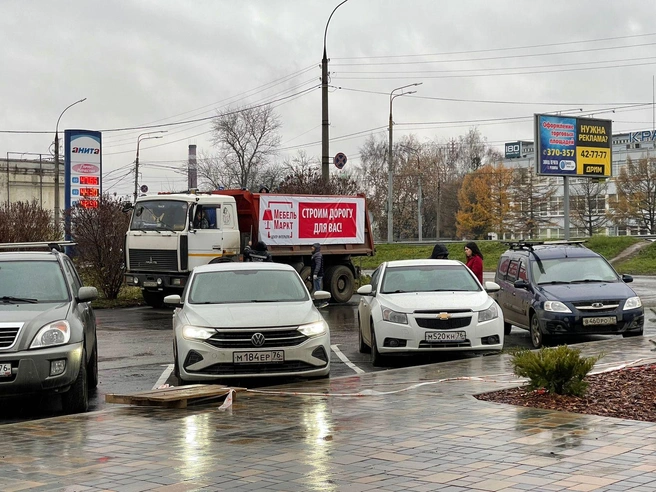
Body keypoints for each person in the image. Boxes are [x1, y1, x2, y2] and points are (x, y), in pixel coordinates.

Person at [310, 243, 328, 308]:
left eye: (313, 247)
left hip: (318, 275)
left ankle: (323, 302)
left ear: (316, 248)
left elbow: (318, 265)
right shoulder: (315, 255)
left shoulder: (317, 256)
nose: (312, 248)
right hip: (317, 274)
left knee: (318, 289)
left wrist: (315, 274)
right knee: (317, 289)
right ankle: (320, 302)